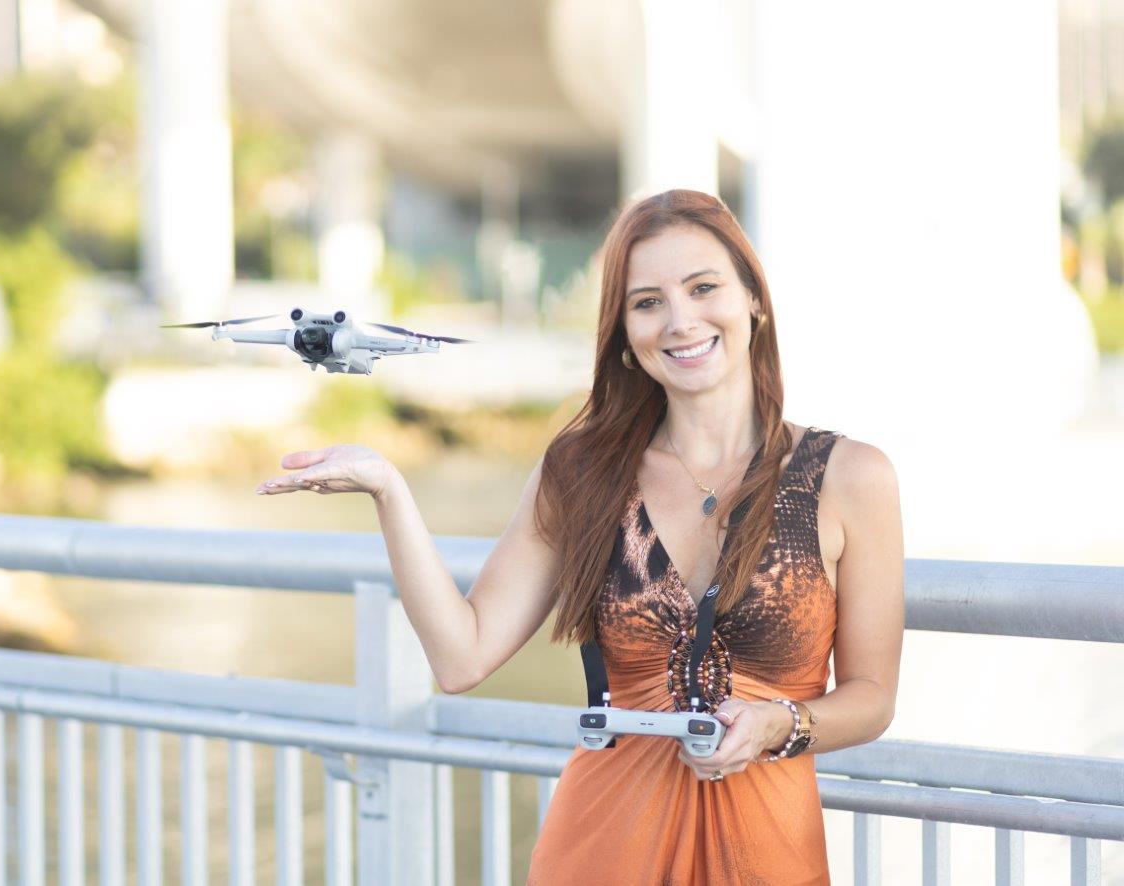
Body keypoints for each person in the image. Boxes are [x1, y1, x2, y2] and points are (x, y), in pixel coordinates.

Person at [256, 189, 905, 885]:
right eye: (647, 302)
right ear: (624, 331)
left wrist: (781, 723)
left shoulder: (850, 477)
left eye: (703, 287)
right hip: (600, 850)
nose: (680, 320)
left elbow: (871, 696)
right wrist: (390, 490)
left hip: (768, 856)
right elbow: (460, 659)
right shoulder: (583, 471)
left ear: (755, 300)